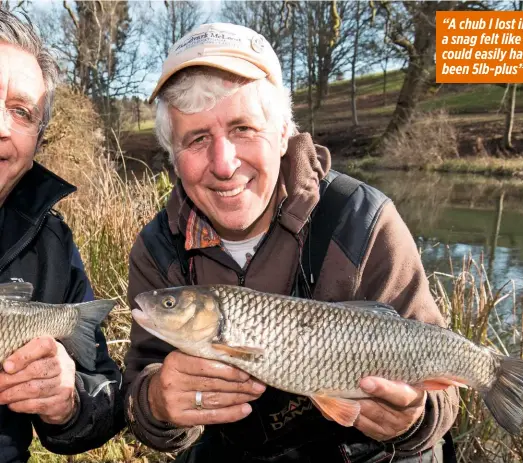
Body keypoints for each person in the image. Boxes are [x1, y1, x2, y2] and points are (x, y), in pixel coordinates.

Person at [123, 22, 459, 463]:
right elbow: (139, 389)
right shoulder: (158, 248)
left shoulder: (360, 219)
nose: (223, 164)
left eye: (243, 128)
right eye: (197, 139)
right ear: (174, 157)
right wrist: (158, 404)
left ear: (283, 134)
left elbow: (443, 383)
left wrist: (414, 418)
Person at [0, 9, 124, 463]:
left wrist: (68, 401)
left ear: (37, 142)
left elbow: (105, 394)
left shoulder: (50, 244)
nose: (1, 127)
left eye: (21, 112)